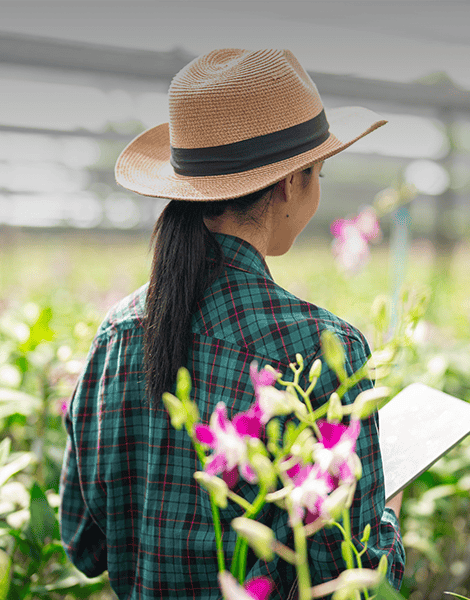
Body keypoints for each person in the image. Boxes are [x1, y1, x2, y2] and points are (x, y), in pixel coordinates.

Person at [60, 48, 405, 599]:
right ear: (291, 183)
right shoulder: (318, 348)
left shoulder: (117, 334)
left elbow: (85, 547)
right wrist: (384, 510)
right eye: (318, 173)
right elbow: (352, 585)